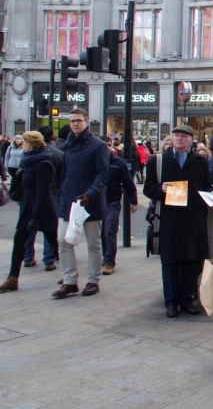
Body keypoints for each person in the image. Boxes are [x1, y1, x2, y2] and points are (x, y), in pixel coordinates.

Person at [144, 125, 213, 317]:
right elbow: (148, 189)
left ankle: (187, 300)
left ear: (192, 139)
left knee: (191, 261)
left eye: (183, 136)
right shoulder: (158, 161)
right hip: (169, 218)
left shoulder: (201, 162)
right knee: (169, 261)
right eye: (176, 136)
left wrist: (212, 193)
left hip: (193, 219)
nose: (179, 139)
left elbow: (205, 186)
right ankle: (171, 302)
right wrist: (161, 188)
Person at [53, 109, 110, 299]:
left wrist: (91, 194)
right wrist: (62, 189)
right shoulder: (66, 144)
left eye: (78, 120)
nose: (75, 124)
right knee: (63, 240)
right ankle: (69, 281)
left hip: (89, 201)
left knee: (93, 243)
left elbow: (103, 173)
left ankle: (93, 280)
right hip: (68, 200)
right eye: (72, 121)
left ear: (86, 122)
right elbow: (63, 171)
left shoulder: (98, 145)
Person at [0, 132, 60, 293]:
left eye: (24, 142)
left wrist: (36, 217)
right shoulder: (28, 160)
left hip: (42, 207)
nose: (22, 144)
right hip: (28, 204)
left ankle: (70, 275)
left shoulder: (42, 163)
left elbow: (42, 192)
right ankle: (13, 278)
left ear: (30, 143)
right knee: (19, 239)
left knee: (55, 244)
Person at [22, 126, 64, 271]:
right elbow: (62, 176)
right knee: (49, 227)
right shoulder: (57, 153)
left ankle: (28, 256)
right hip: (52, 194)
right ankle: (49, 258)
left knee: (30, 226)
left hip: (34, 196)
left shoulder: (28, 156)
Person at [100, 136, 138, 276]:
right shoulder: (94, 162)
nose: (107, 148)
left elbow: (128, 183)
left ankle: (110, 261)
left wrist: (133, 201)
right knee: (101, 232)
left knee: (110, 230)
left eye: (109, 145)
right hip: (96, 202)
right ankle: (105, 256)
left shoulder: (118, 163)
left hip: (112, 201)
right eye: (104, 145)